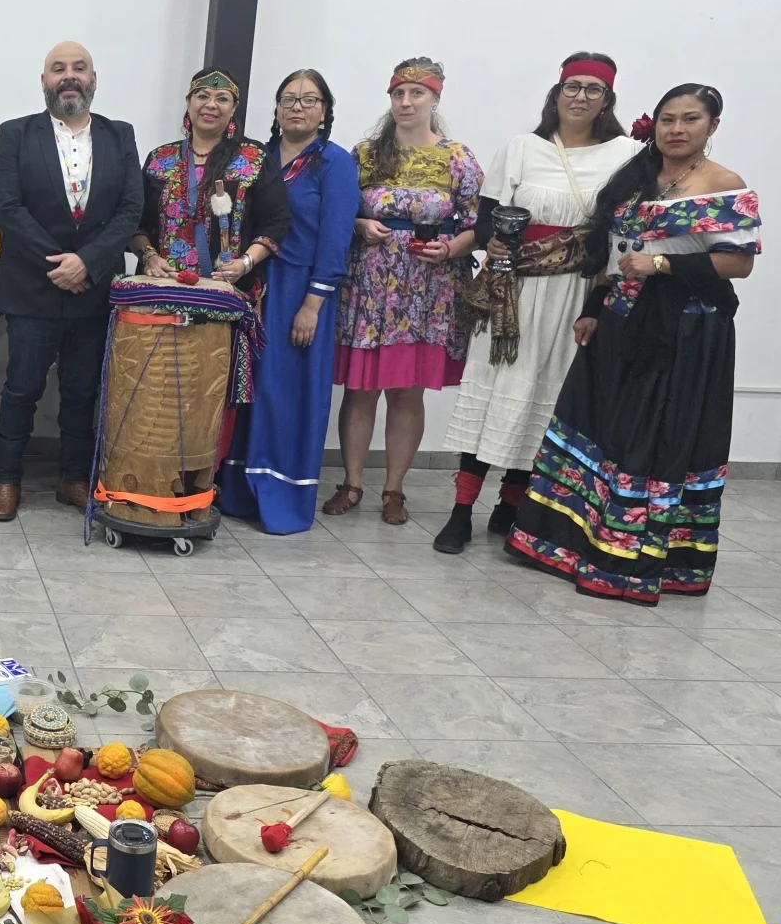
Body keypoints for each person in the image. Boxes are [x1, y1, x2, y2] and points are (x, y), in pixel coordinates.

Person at [506, 84, 758, 605]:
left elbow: (740, 263)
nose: (677, 129)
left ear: (712, 127)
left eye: (690, 119)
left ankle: (629, 559)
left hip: (683, 333)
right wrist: (593, 310)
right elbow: (615, 249)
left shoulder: (723, 185)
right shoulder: (638, 178)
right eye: (668, 119)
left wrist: (662, 263)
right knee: (594, 425)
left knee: (649, 437)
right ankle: (566, 542)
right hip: (621, 323)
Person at [433, 53, 640, 553]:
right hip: (513, 290)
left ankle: (510, 510)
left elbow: (618, 236)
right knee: (493, 394)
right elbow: (485, 223)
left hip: (572, 292)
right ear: (557, 92)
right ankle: (461, 512)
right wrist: (493, 244)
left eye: (593, 89)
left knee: (543, 402)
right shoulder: (522, 149)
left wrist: (598, 301)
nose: (580, 96)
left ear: (607, 99)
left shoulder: (625, 156)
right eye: (572, 86)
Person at [105, 68, 289, 531]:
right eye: (202, 96)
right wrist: (147, 256)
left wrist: (245, 262)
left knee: (212, 392)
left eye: (222, 98)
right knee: (158, 391)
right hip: (164, 298)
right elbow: (137, 222)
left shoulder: (252, 158)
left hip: (226, 298)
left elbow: (277, 222)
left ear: (233, 110)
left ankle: (197, 484)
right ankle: (148, 481)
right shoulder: (161, 159)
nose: (211, 104)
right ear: (188, 103)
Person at [0, 41, 143, 521]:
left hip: (93, 292)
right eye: (59, 69)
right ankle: (7, 480)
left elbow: (129, 210)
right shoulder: (16, 133)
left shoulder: (120, 136)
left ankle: (73, 478)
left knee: (82, 391)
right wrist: (62, 263)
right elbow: (8, 208)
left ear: (94, 79)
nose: (68, 76)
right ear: (44, 81)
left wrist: (88, 263)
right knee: (22, 388)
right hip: (32, 288)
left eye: (78, 68)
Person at [326, 58, 483, 526]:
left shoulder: (457, 158)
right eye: (399, 94)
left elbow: (480, 222)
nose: (406, 102)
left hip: (426, 290)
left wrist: (451, 246)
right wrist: (358, 223)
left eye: (417, 94)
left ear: (435, 98)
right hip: (369, 287)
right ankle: (352, 482)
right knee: (360, 390)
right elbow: (338, 211)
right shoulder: (365, 154)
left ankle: (394, 489)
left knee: (406, 392)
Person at [218, 69, 361, 534]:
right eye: (288, 99)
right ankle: (236, 490)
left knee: (288, 393)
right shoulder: (255, 158)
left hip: (299, 291)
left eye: (309, 99)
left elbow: (337, 238)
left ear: (325, 111)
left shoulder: (334, 163)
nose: (297, 107)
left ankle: (281, 497)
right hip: (253, 287)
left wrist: (313, 303)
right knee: (247, 388)